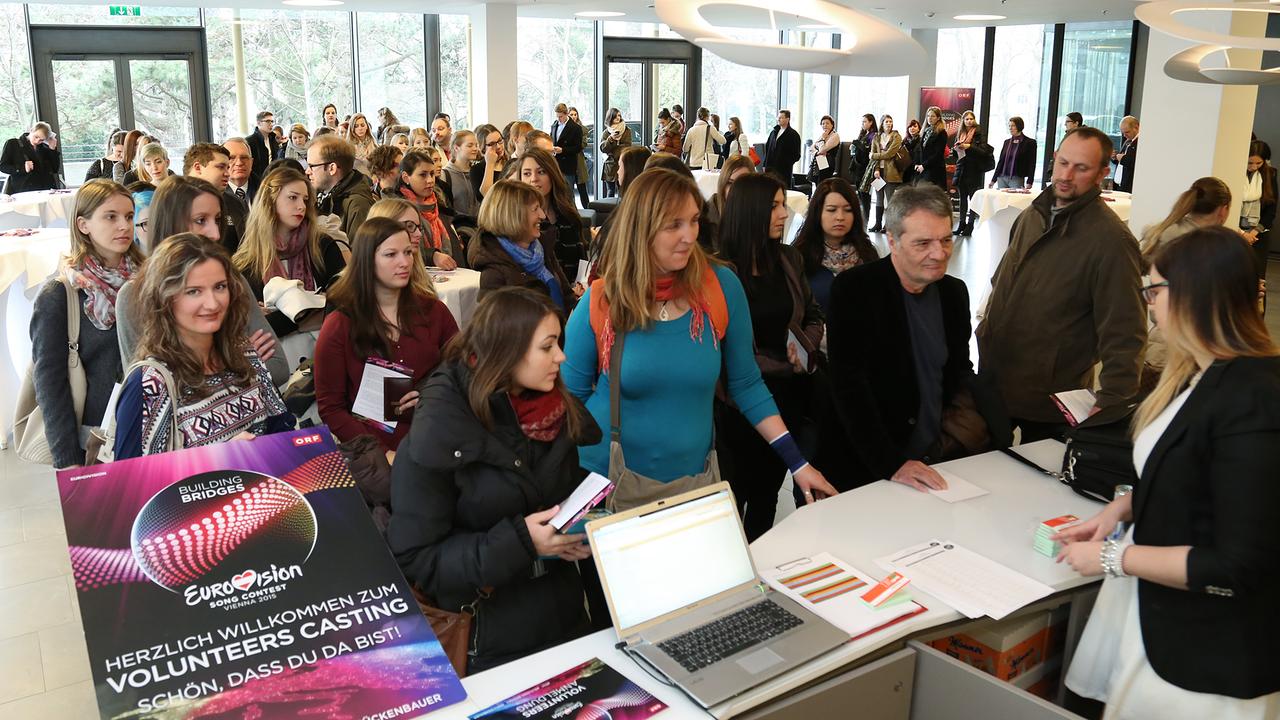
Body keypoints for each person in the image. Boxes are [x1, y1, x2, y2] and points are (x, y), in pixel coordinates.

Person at [1056, 227, 1280, 718]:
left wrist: (1113, 557)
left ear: (1193, 295)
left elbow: (1236, 566)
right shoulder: (1201, 374)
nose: (1150, 305)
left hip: (1206, 659)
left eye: (1153, 291)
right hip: (1159, 618)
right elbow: (1194, 473)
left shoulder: (1254, 401)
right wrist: (1124, 507)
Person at [562, 169, 838, 506]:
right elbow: (569, 402)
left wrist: (797, 462)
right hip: (606, 480)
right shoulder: (603, 300)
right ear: (641, 228)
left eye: (693, 221)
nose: (689, 236)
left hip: (693, 481)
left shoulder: (720, 286)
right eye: (673, 225)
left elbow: (747, 384)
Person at [387, 287, 599, 672]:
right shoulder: (440, 434)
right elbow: (418, 559)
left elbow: (545, 491)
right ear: (507, 352)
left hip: (567, 621)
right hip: (490, 642)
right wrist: (522, 542)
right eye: (547, 347)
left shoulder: (553, 413)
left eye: (559, 344)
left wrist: (582, 522)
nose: (561, 357)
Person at [977, 127, 1146, 441]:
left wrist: (1112, 402)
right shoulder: (1032, 215)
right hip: (995, 380)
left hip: (1050, 397)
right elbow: (1002, 282)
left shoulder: (1111, 241)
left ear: (1103, 173)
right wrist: (985, 332)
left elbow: (1125, 332)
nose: (1066, 176)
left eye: (1081, 168)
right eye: (1063, 163)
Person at [827, 184, 980, 494]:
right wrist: (891, 463)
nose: (939, 253)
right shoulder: (855, 290)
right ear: (892, 241)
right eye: (923, 243)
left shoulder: (953, 293)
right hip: (867, 464)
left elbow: (958, 370)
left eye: (946, 240)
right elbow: (848, 386)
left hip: (935, 459)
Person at [113, 234, 293, 459]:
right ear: (164, 299)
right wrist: (219, 459)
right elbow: (131, 479)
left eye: (220, 287)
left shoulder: (246, 354)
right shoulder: (149, 384)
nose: (212, 303)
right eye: (194, 291)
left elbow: (283, 431)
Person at [717, 173, 827, 539]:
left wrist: (805, 347)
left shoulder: (788, 259)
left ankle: (760, 561)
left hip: (787, 394)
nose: (784, 213)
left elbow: (812, 314)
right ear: (750, 211)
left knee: (766, 496)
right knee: (732, 498)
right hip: (735, 404)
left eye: (783, 204)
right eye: (775, 206)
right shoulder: (720, 272)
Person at [315, 216, 458, 456]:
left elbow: (463, 371)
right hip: (375, 449)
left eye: (408, 252)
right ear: (367, 261)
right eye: (391, 255)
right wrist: (382, 453)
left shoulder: (434, 311)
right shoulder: (340, 325)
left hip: (438, 434)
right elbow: (331, 409)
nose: (404, 262)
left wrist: (433, 392)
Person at [30, 179, 140, 468]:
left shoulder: (149, 279)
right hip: (95, 440)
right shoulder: (60, 294)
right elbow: (50, 384)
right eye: (111, 217)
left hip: (153, 426)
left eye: (129, 216)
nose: (124, 226)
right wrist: (66, 460)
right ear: (83, 225)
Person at [233, 167, 347, 337]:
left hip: (323, 344)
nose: (301, 206)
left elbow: (344, 302)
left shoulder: (322, 245)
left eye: (305, 200)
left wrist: (276, 318)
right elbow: (248, 325)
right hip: (272, 350)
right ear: (270, 200)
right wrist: (312, 310)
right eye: (293, 197)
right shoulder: (246, 261)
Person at [1139, 177, 1236, 371]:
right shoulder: (1215, 248)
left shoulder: (1161, 234)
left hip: (1158, 343)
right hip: (1196, 346)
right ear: (1223, 210)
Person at [470, 180, 571, 311]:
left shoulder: (542, 248)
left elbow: (567, 296)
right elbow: (497, 322)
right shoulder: (494, 274)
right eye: (535, 209)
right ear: (513, 216)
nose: (542, 215)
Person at [793, 177, 878, 314]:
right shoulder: (801, 256)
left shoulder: (867, 254)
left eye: (848, 210)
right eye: (832, 210)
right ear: (818, 213)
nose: (840, 217)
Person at [513, 147, 588, 288]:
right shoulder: (518, 221)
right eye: (527, 174)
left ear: (552, 175)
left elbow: (581, 259)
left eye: (541, 172)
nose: (534, 179)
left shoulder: (567, 213)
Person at [396, 148, 461, 268]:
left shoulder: (438, 205)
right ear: (406, 178)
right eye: (423, 175)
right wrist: (432, 256)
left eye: (432, 174)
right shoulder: (398, 211)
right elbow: (398, 250)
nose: (430, 180)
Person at [309, 134, 375, 242]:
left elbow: (358, 250)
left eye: (311, 166)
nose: (307, 171)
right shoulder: (321, 195)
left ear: (332, 168)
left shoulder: (358, 205)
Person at [183, 142, 243, 254]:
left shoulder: (235, 203)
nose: (227, 174)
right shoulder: (173, 201)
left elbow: (245, 247)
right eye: (221, 167)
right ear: (198, 167)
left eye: (227, 168)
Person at [863, 114, 905, 234]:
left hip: (891, 172)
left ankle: (888, 225)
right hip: (878, 172)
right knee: (879, 198)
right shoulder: (876, 136)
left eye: (890, 121)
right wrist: (876, 169)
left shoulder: (897, 136)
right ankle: (877, 224)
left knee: (890, 199)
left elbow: (890, 154)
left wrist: (874, 155)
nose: (889, 123)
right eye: (886, 121)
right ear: (882, 123)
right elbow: (873, 153)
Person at [1242, 140, 1276, 281]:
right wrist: (1242, 233)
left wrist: (1254, 232)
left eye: (1258, 163)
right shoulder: (1235, 170)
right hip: (1236, 231)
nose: (1254, 167)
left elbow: (1272, 209)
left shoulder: (1270, 174)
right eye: (1250, 163)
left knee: (1257, 277)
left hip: (1259, 233)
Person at [951, 110, 987, 235]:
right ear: (963, 121)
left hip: (974, 170)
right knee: (962, 198)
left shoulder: (978, 133)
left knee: (973, 199)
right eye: (967, 119)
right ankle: (961, 223)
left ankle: (970, 225)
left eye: (971, 119)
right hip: (962, 169)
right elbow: (955, 154)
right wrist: (956, 148)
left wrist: (969, 146)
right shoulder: (960, 133)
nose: (969, 121)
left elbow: (983, 151)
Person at [1, 121, 61, 193]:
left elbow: (55, 169)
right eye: (36, 137)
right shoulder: (13, 144)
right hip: (24, 190)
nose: (37, 141)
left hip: (46, 190)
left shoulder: (45, 147)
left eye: (41, 140)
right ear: (31, 130)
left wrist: (52, 149)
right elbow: (3, 167)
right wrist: (22, 168)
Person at [549, 103, 585, 208]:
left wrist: (563, 150)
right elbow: (551, 139)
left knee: (568, 193)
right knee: (556, 193)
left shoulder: (576, 128)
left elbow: (578, 147)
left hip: (568, 164)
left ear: (566, 114)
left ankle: (573, 214)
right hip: (556, 163)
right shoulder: (554, 125)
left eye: (560, 116)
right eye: (557, 116)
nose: (559, 119)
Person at [705, 154, 755, 227]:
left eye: (742, 184)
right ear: (723, 184)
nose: (735, 189)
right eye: (730, 183)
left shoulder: (757, 214)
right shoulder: (706, 218)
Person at [990, 116, 1038, 190]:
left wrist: (1030, 181)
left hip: (1017, 178)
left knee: (1015, 197)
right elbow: (1001, 162)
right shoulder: (1007, 142)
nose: (1010, 128)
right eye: (1009, 126)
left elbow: (1032, 163)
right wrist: (993, 180)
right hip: (1002, 177)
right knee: (1001, 197)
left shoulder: (1029, 142)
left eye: (1013, 126)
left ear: (1019, 126)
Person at [443, 130, 480, 219]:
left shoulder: (477, 171)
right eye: (470, 145)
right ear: (456, 148)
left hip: (479, 223)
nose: (475, 149)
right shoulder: (445, 174)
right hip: (458, 224)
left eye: (476, 145)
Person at [913, 106, 949, 190]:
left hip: (934, 169)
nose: (930, 118)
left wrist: (924, 165)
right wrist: (917, 163)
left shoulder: (941, 133)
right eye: (928, 116)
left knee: (930, 193)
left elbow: (938, 153)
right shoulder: (925, 131)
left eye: (932, 116)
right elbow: (920, 150)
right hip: (923, 168)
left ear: (938, 118)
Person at [599, 108, 632, 198]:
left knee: (623, 191)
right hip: (610, 165)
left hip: (623, 163)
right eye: (615, 116)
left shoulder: (626, 130)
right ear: (610, 117)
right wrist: (611, 139)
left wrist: (613, 150)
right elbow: (603, 148)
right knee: (610, 191)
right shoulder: (606, 132)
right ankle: (609, 208)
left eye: (619, 115)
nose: (618, 118)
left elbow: (627, 147)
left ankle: (623, 207)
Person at [764, 110, 801, 187]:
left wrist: (786, 163)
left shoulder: (793, 135)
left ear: (787, 119)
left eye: (781, 117)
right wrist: (765, 164)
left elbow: (796, 155)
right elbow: (767, 149)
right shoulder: (773, 132)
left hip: (784, 171)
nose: (778, 119)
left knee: (782, 189)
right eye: (778, 117)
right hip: (770, 169)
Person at [471, 123, 507, 200]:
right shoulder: (476, 169)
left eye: (500, 141)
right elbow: (486, 195)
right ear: (483, 148)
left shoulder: (511, 164)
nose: (498, 146)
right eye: (492, 144)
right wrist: (490, 163)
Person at [683, 107, 726, 172]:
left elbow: (685, 149)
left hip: (693, 163)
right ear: (707, 117)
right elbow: (723, 141)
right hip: (707, 162)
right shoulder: (710, 128)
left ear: (697, 117)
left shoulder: (691, 130)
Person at [247, 110, 280, 185]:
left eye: (272, 121)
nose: (271, 124)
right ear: (259, 123)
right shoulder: (250, 141)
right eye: (268, 121)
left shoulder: (273, 139)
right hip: (256, 182)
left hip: (272, 179)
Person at [568, 107, 593, 207]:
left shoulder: (582, 129)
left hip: (578, 162)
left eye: (575, 114)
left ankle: (588, 210)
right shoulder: (563, 128)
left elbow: (582, 145)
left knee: (582, 189)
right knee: (569, 191)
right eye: (571, 114)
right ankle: (572, 211)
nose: (574, 116)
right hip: (567, 163)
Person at [223, 137, 256, 206]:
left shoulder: (266, 190)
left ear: (251, 162)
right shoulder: (214, 195)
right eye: (231, 158)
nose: (239, 163)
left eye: (244, 157)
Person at [1113, 115, 1139, 193]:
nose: (1124, 135)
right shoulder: (1128, 141)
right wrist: (1115, 157)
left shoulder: (1140, 143)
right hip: (1120, 185)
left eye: (1127, 132)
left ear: (1136, 127)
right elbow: (1123, 161)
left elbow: (1136, 163)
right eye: (1123, 133)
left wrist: (1123, 158)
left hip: (1129, 188)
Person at [810, 115, 840, 182]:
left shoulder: (835, 135)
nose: (825, 125)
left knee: (823, 182)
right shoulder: (823, 135)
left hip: (828, 161)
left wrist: (823, 139)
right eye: (823, 124)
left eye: (827, 123)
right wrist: (817, 153)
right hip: (820, 159)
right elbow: (812, 148)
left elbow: (823, 149)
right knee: (817, 182)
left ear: (832, 125)